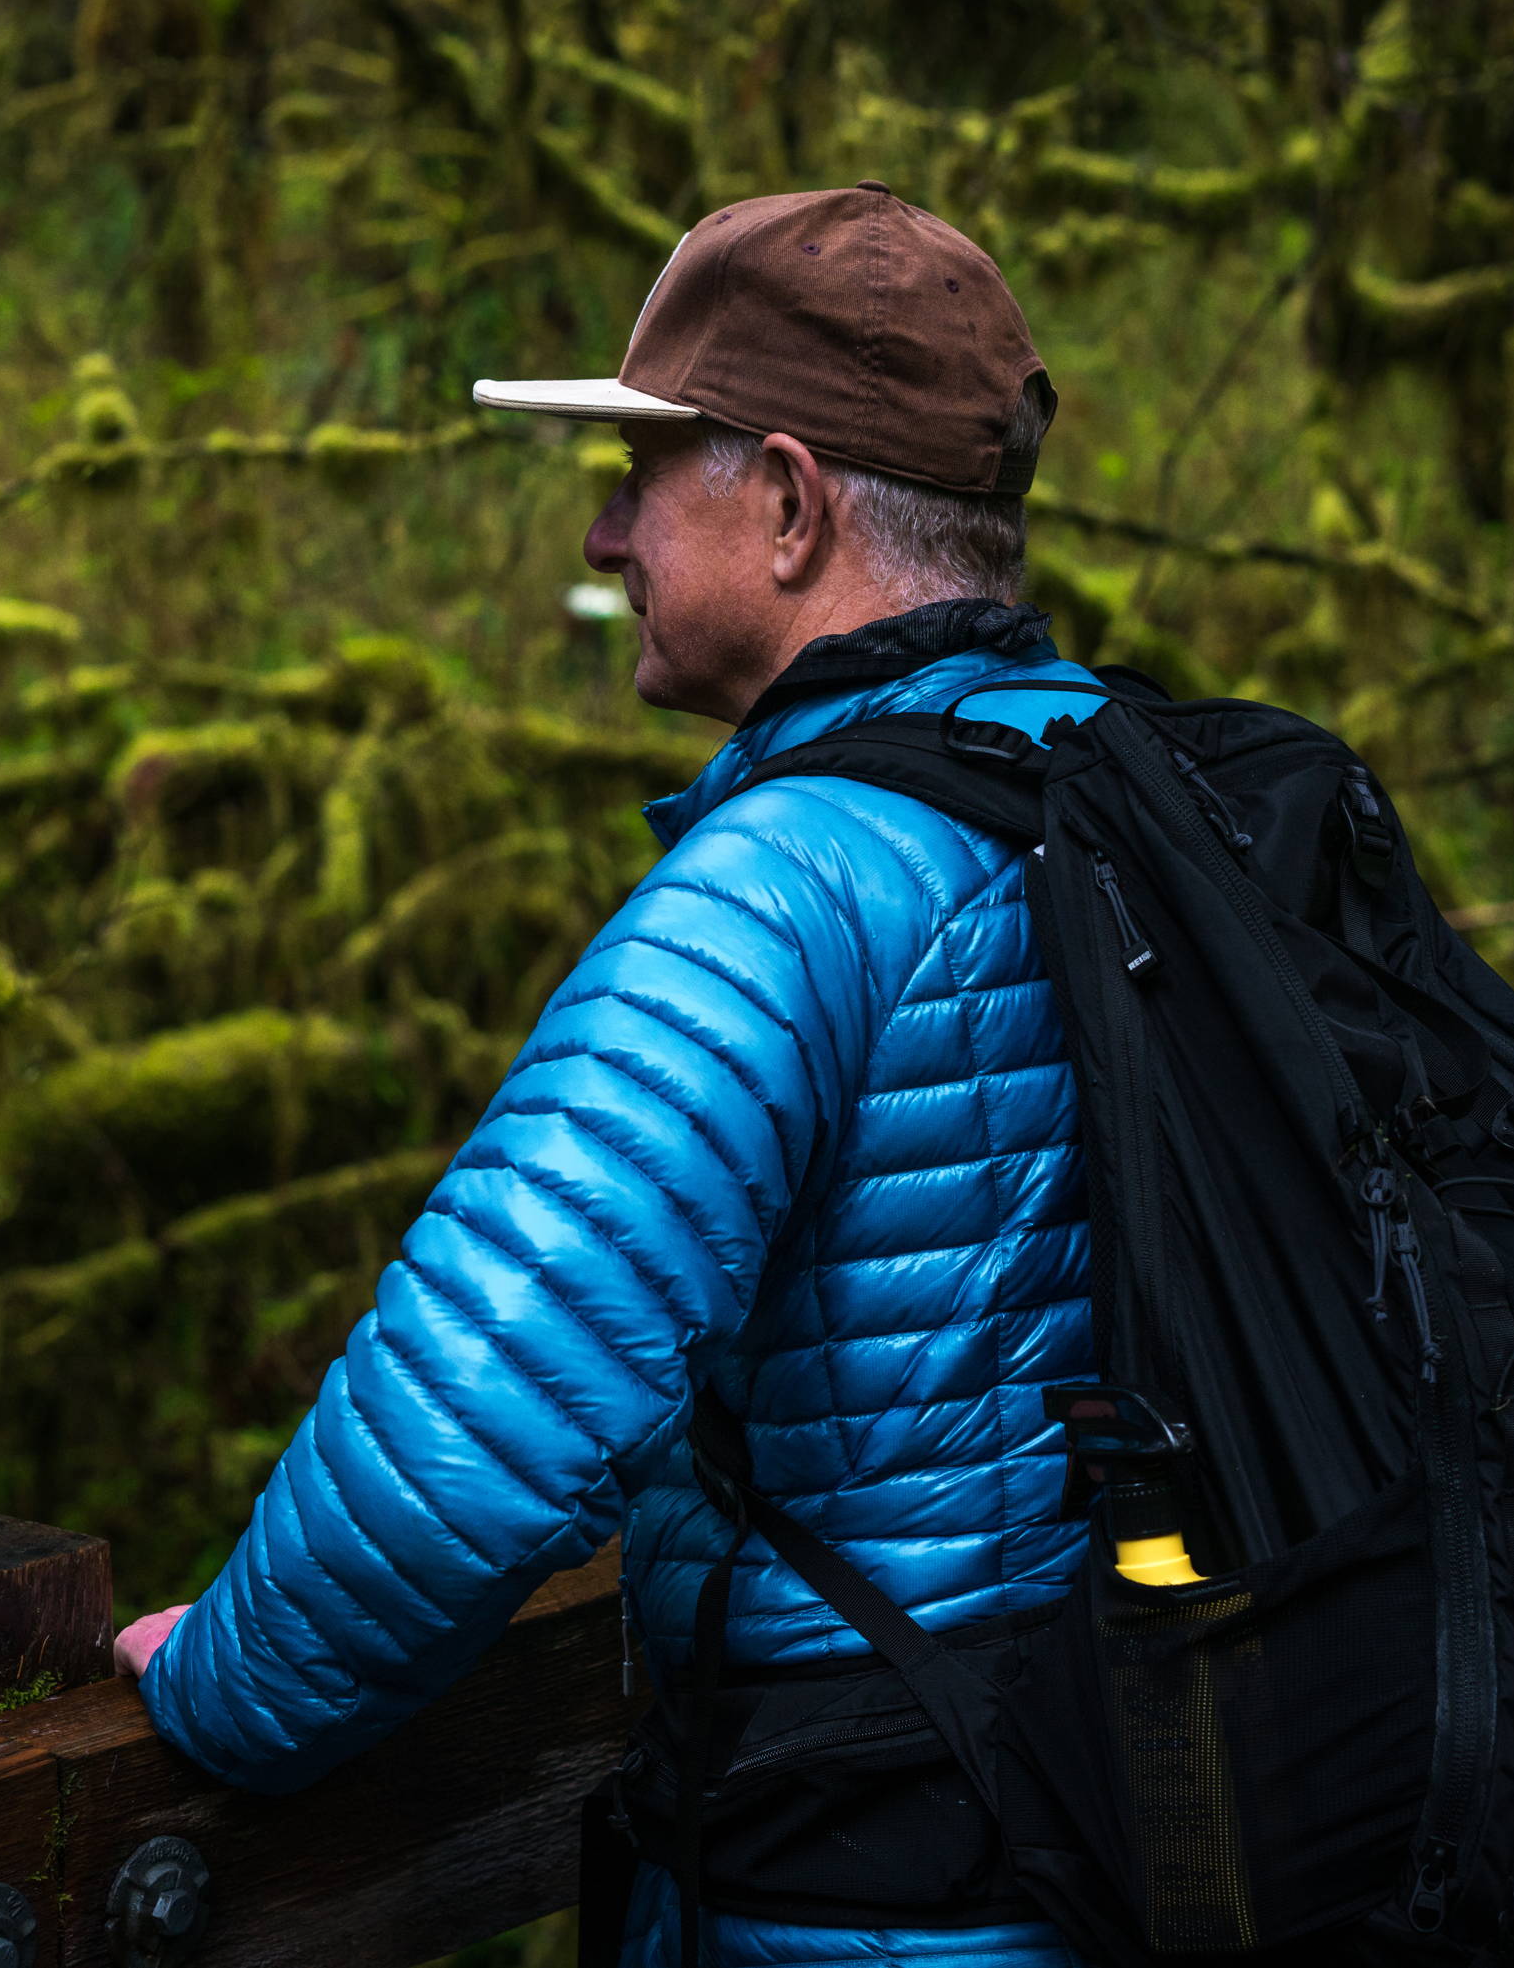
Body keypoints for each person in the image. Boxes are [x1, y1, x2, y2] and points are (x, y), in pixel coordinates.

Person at [118, 182, 1102, 1968]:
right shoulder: (1130, 792)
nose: (600, 536)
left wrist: (218, 1689)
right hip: (1129, 1837)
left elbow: (465, 1429)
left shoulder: (791, 886)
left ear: (793, 505)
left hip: (860, 1893)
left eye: (645, 474)